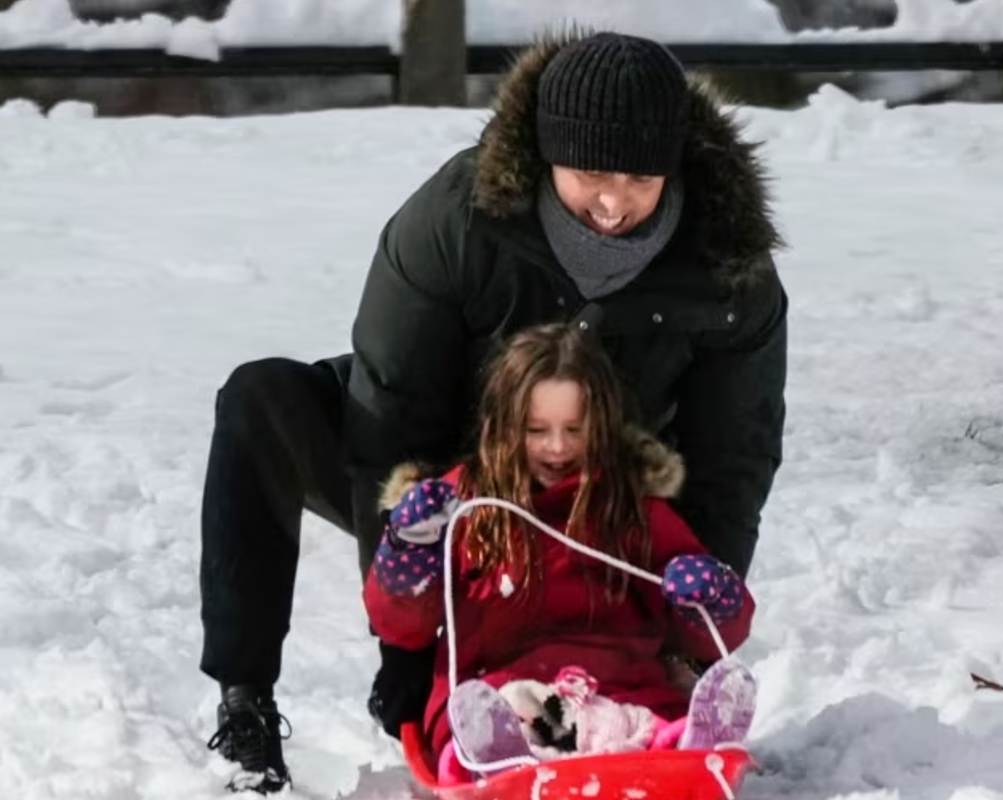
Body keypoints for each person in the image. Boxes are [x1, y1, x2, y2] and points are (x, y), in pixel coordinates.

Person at [199, 30, 786, 794]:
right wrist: (405, 650)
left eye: (641, 178)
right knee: (259, 399)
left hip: (608, 491)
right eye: (589, 175)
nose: (613, 203)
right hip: (446, 466)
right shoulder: (456, 219)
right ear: (546, 159)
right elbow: (392, 417)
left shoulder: (728, 262)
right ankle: (245, 703)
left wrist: (697, 631)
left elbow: (734, 455)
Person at [364, 324, 757, 783]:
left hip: (620, 690)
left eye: (574, 429)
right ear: (502, 427)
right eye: (536, 430)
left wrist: (711, 600)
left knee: (637, 727)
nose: (557, 446)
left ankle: (688, 749)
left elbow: (713, 637)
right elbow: (400, 626)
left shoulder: (631, 508)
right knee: (494, 720)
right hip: (499, 691)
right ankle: (495, 763)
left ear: (603, 425)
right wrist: (408, 554)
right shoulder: (465, 506)